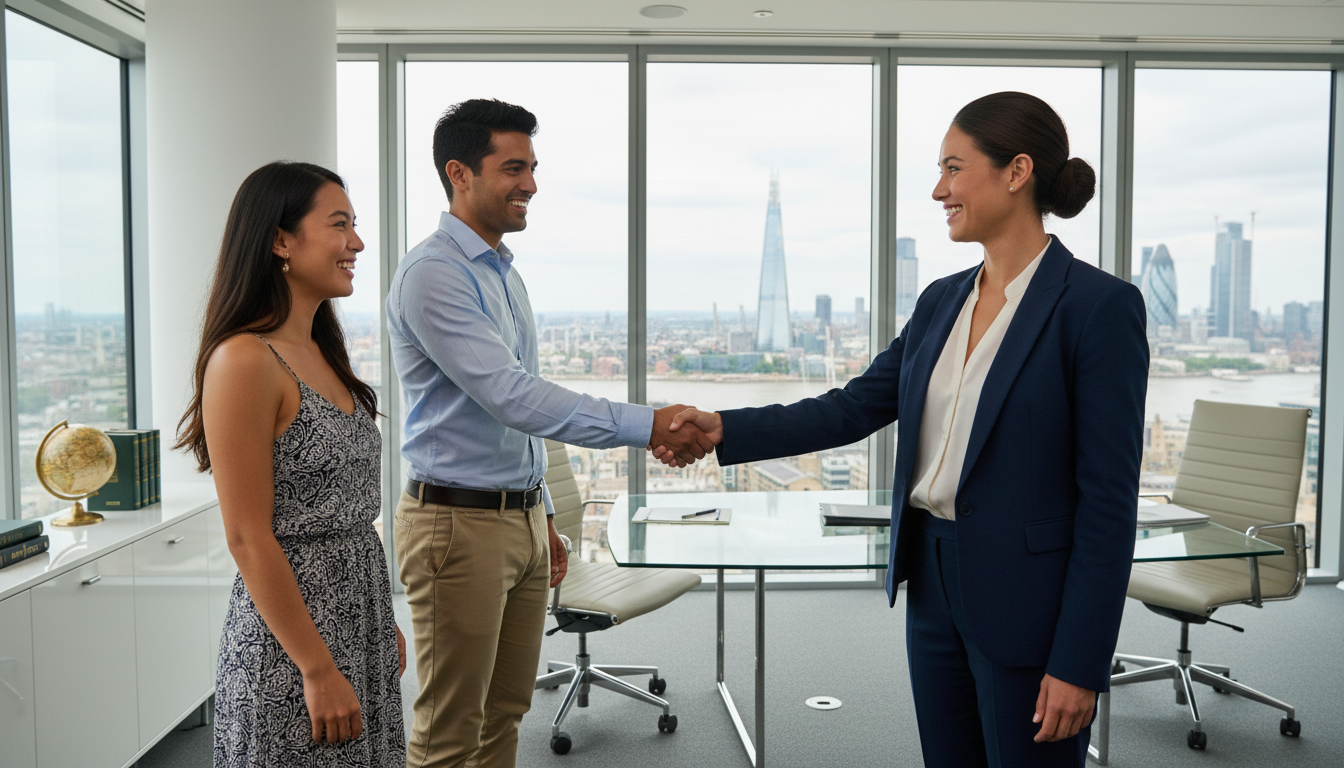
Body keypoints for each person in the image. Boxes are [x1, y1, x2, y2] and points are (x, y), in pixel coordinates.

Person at [656, 91, 1148, 767]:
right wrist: (721, 428)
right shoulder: (942, 299)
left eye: (953, 167)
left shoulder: (1097, 308)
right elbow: (853, 406)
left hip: (1030, 599)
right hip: (933, 584)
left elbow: (1108, 503)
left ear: (1016, 171)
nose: (938, 189)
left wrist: (1081, 662)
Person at [386, 98, 712, 768]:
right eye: (514, 167)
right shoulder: (434, 275)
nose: (531, 183)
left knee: (505, 714)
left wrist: (542, 520)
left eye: (532, 167)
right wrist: (647, 424)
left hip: (518, 522)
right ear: (460, 172)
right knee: (449, 731)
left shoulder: (502, 273)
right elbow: (512, 397)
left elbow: (515, 417)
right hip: (457, 527)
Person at [176, 161, 406, 767]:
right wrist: (317, 665)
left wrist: (378, 622)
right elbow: (248, 536)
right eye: (339, 225)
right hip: (292, 641)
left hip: (359, 613)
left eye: (355, 225)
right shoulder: (244, 361)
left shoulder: (321, 351)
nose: (356, 242)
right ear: (280, 239)